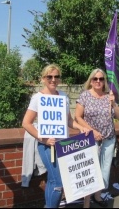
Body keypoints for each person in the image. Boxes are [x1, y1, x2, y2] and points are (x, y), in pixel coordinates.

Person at [22, 64, 89, 208]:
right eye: (49, 76)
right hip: (46, 146)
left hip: (62, 145)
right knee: (58, 181)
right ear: (43, 78)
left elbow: (69, 121)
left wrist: (81, 127)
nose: (53, 79)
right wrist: (43, 139)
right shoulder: (37, 98)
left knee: (54, 180)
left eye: (56, 76)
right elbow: (26, 123)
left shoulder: (63, 96)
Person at [75, 68, 119, 208]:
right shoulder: (85, 96)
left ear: (104, 81)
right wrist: (92, 131)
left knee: (105, 168)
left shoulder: (109, 96)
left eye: (101, 79)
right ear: (91, 80)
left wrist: (113, 103)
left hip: (108, 138)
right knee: (90, 170)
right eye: (95, 79)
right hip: (91, 138)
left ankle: (98, 195)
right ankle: (86, 202)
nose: (98, 81)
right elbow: (78, 117)